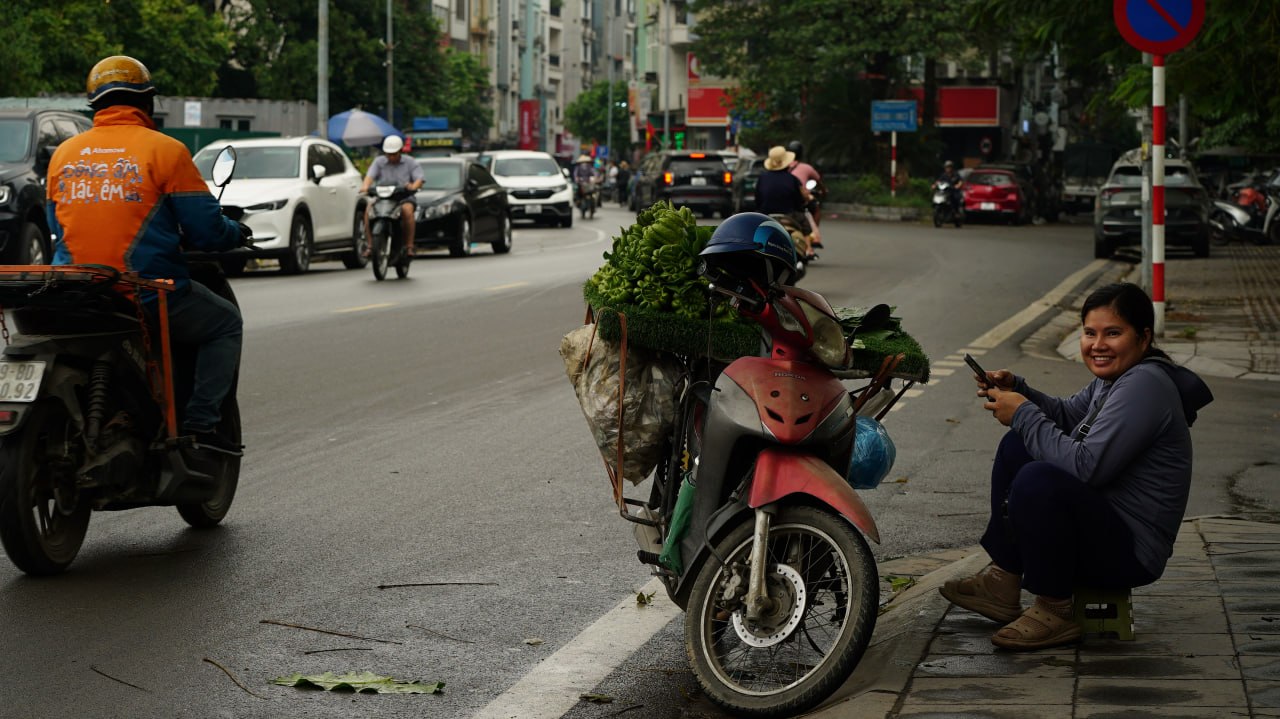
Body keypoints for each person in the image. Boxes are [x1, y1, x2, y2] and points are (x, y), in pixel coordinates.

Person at [941, 282, 1213, 651]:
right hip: (1105, 523)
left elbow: (1086, 468)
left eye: (1113, 333)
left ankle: (1054, 609)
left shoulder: (1144, 385)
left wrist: (1022, 412)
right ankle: (1003, 583)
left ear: (1143, 337)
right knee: (1019, 445)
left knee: (1040, 479)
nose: (1098, 345)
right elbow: (1069, 417)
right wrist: (1020, 390)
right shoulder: (1117, 377)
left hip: (1130, 552)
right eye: (1089, 333)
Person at [45, 55, 247, 456]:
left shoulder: (63, 155)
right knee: (225, 324)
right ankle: (201, 428)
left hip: (73, 293)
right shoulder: (166, 151)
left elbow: (58, 225)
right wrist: (235, 231)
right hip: (142, 293)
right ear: (147, 102)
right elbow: (206, 231)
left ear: (96, 105)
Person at [361, 135, 424, 258]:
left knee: (407, 211)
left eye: (394, 154)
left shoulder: (410, 162)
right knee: (369, 211)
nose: (391, 157)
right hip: (382, 198)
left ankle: (409, 246)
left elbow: (419, 179)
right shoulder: (379, 162)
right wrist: (365, 186)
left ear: (400, 151)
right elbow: (369, 176)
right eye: (388, 154)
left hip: (403, 198)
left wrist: (413, 186)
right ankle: (370, 246)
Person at [754, 146, 812, 258]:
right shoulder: (792, 179)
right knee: (806, 226)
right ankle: (808, 250)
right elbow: (798, 201)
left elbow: (758, 200)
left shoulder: (762, 178)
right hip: (789, 215)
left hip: (766, 215)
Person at [786, 140, 825, 246]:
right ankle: (813, 235)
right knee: (815, 208)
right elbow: (819, 181)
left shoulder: (782, 168)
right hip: (798, 201)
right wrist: (824, 191)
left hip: (779, 202)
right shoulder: (806, 168)